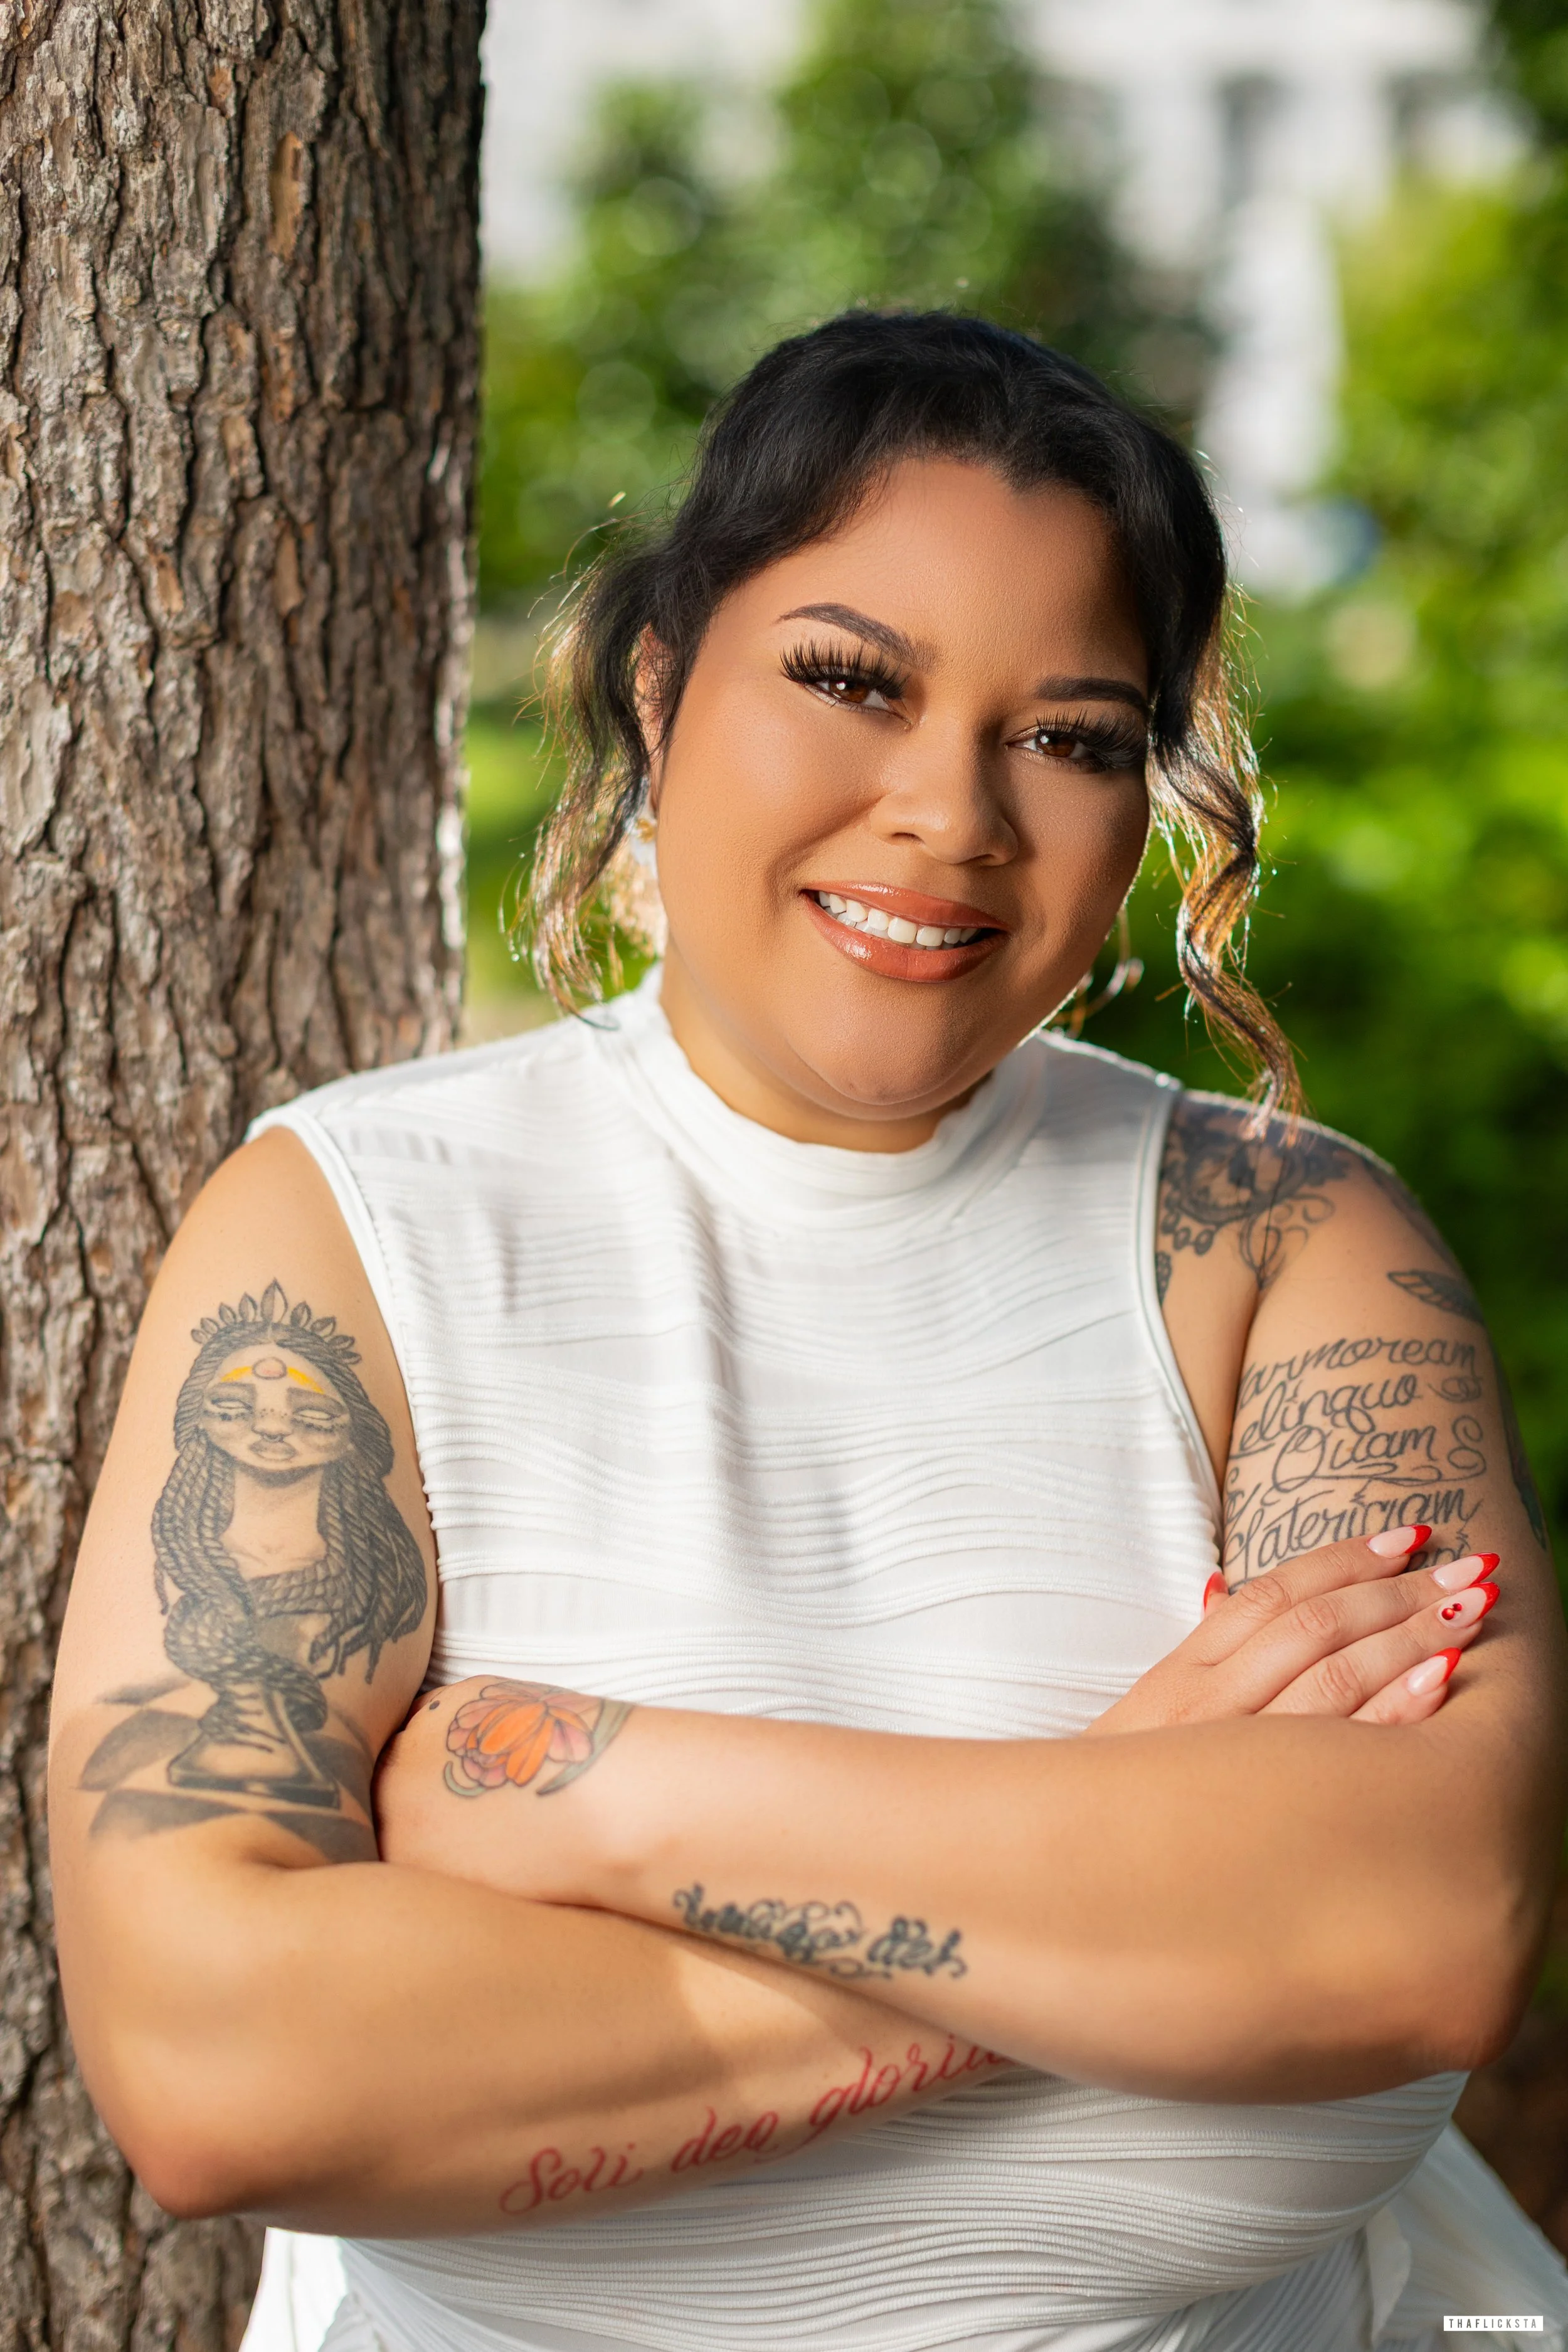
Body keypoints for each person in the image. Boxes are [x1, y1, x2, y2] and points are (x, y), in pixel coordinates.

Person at [49, 312, 1568, 2352]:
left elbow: (1411, 1931)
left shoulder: (1285, 1248)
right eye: (851, 680)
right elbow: (224, 2069)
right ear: (662, 688)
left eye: (1072, 734)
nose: (950, 812)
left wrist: (585, 1797)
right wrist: (1120, 1867)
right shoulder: (354, 1233)